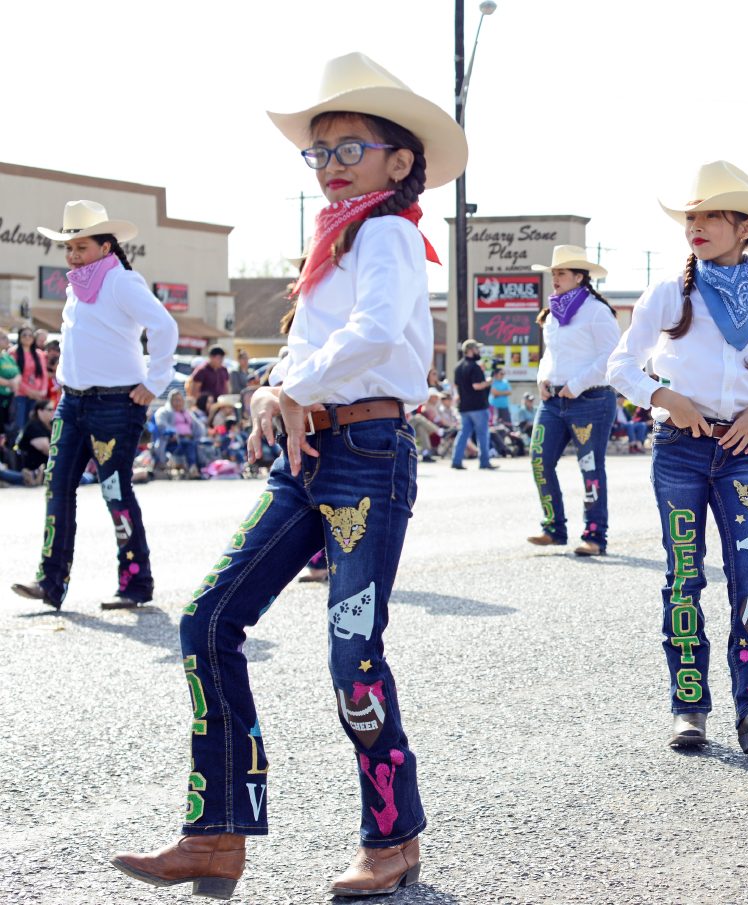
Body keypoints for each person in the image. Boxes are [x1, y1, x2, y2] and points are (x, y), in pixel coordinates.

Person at [109, 51, 466, 898]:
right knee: (206, 621)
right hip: (305, 460)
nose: (333, 165)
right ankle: (216, 832)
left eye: (351, 148)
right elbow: (318, 353)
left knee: (353, 656)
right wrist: (290, 397)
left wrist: (286, 388)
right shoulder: (332, 246)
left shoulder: (386, 234)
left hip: (370, 459)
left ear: (400, 160)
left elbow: (379, 333)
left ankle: (392, 835)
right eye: (320, 152)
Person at [607, 161, 748, 753]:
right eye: (691, 215)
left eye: (712, 215)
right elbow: (620, 364)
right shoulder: (670, 294)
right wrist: (662, 395)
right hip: (679, 453)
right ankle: (688, 706)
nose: (696, 224)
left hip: (741, 454)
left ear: (747, 225)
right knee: (684, 578)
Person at [9, 201, 178, 611]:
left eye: (81, 247)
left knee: (114, 491)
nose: (72, 255)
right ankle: (51, 582)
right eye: (69, 247)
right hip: (73, 402)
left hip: (116, 403)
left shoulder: (122, 282)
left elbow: (164, 326)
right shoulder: (77, 286)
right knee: (57, 487)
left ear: (105, 247)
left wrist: (153, 382)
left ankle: (136, 582)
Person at [527, 245, 621, 555]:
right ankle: (553, 528)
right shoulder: (553, 312)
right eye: (553, 273)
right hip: (553, 401)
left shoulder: (597, 311)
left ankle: (595, 535)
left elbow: (611, 355)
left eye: (561, 273)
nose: (554, 278)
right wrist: (542, 377)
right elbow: (550, 354)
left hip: (590, 400)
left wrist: (577, 385)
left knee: (590, 467)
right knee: (539, 460)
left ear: (579, 277)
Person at [451, 339, 496, 470]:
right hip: (478, 407)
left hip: (464, 407)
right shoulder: (474, 367)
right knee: (482, 434)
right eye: (477, 349)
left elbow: (455, 386)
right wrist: (488, 381)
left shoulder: (458, 366)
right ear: (471, 350)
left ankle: (456, 460)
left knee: (464, 433)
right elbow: (477, 385)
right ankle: (484, 462)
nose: (479, 351)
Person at [154, 390, 206, 477]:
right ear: (170, 401)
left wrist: (198, 435)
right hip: (172, 441)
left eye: (180, 400)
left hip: (189, 439)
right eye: (175, 400)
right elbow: (161, 424)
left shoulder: (187, 413)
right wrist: (172, 433)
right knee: (189, 444)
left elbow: (198, 427)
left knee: (198, 444)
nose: (178, 403)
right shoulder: (164, 412)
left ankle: (199, 468)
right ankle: (192, 468)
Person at [12, 326, 49, 431]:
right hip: (20, 395)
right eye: (24, 335)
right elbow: (14, 375)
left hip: (37, 395)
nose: (27, 337)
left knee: (32, 424)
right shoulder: (13, 353)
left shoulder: (39, 354)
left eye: (30, 335)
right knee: (18, 424)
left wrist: (43, 391)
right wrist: (29, 391)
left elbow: (44, 375)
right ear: (19, 337)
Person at [190, 346, 230, 415]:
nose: (221, 360)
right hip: (205, 409)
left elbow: (227, 388)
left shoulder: (224, 370)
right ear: (211, 357)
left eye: (222, 358)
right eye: (219, 358)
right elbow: (194, 392)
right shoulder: (201, 371)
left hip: (221, 406)